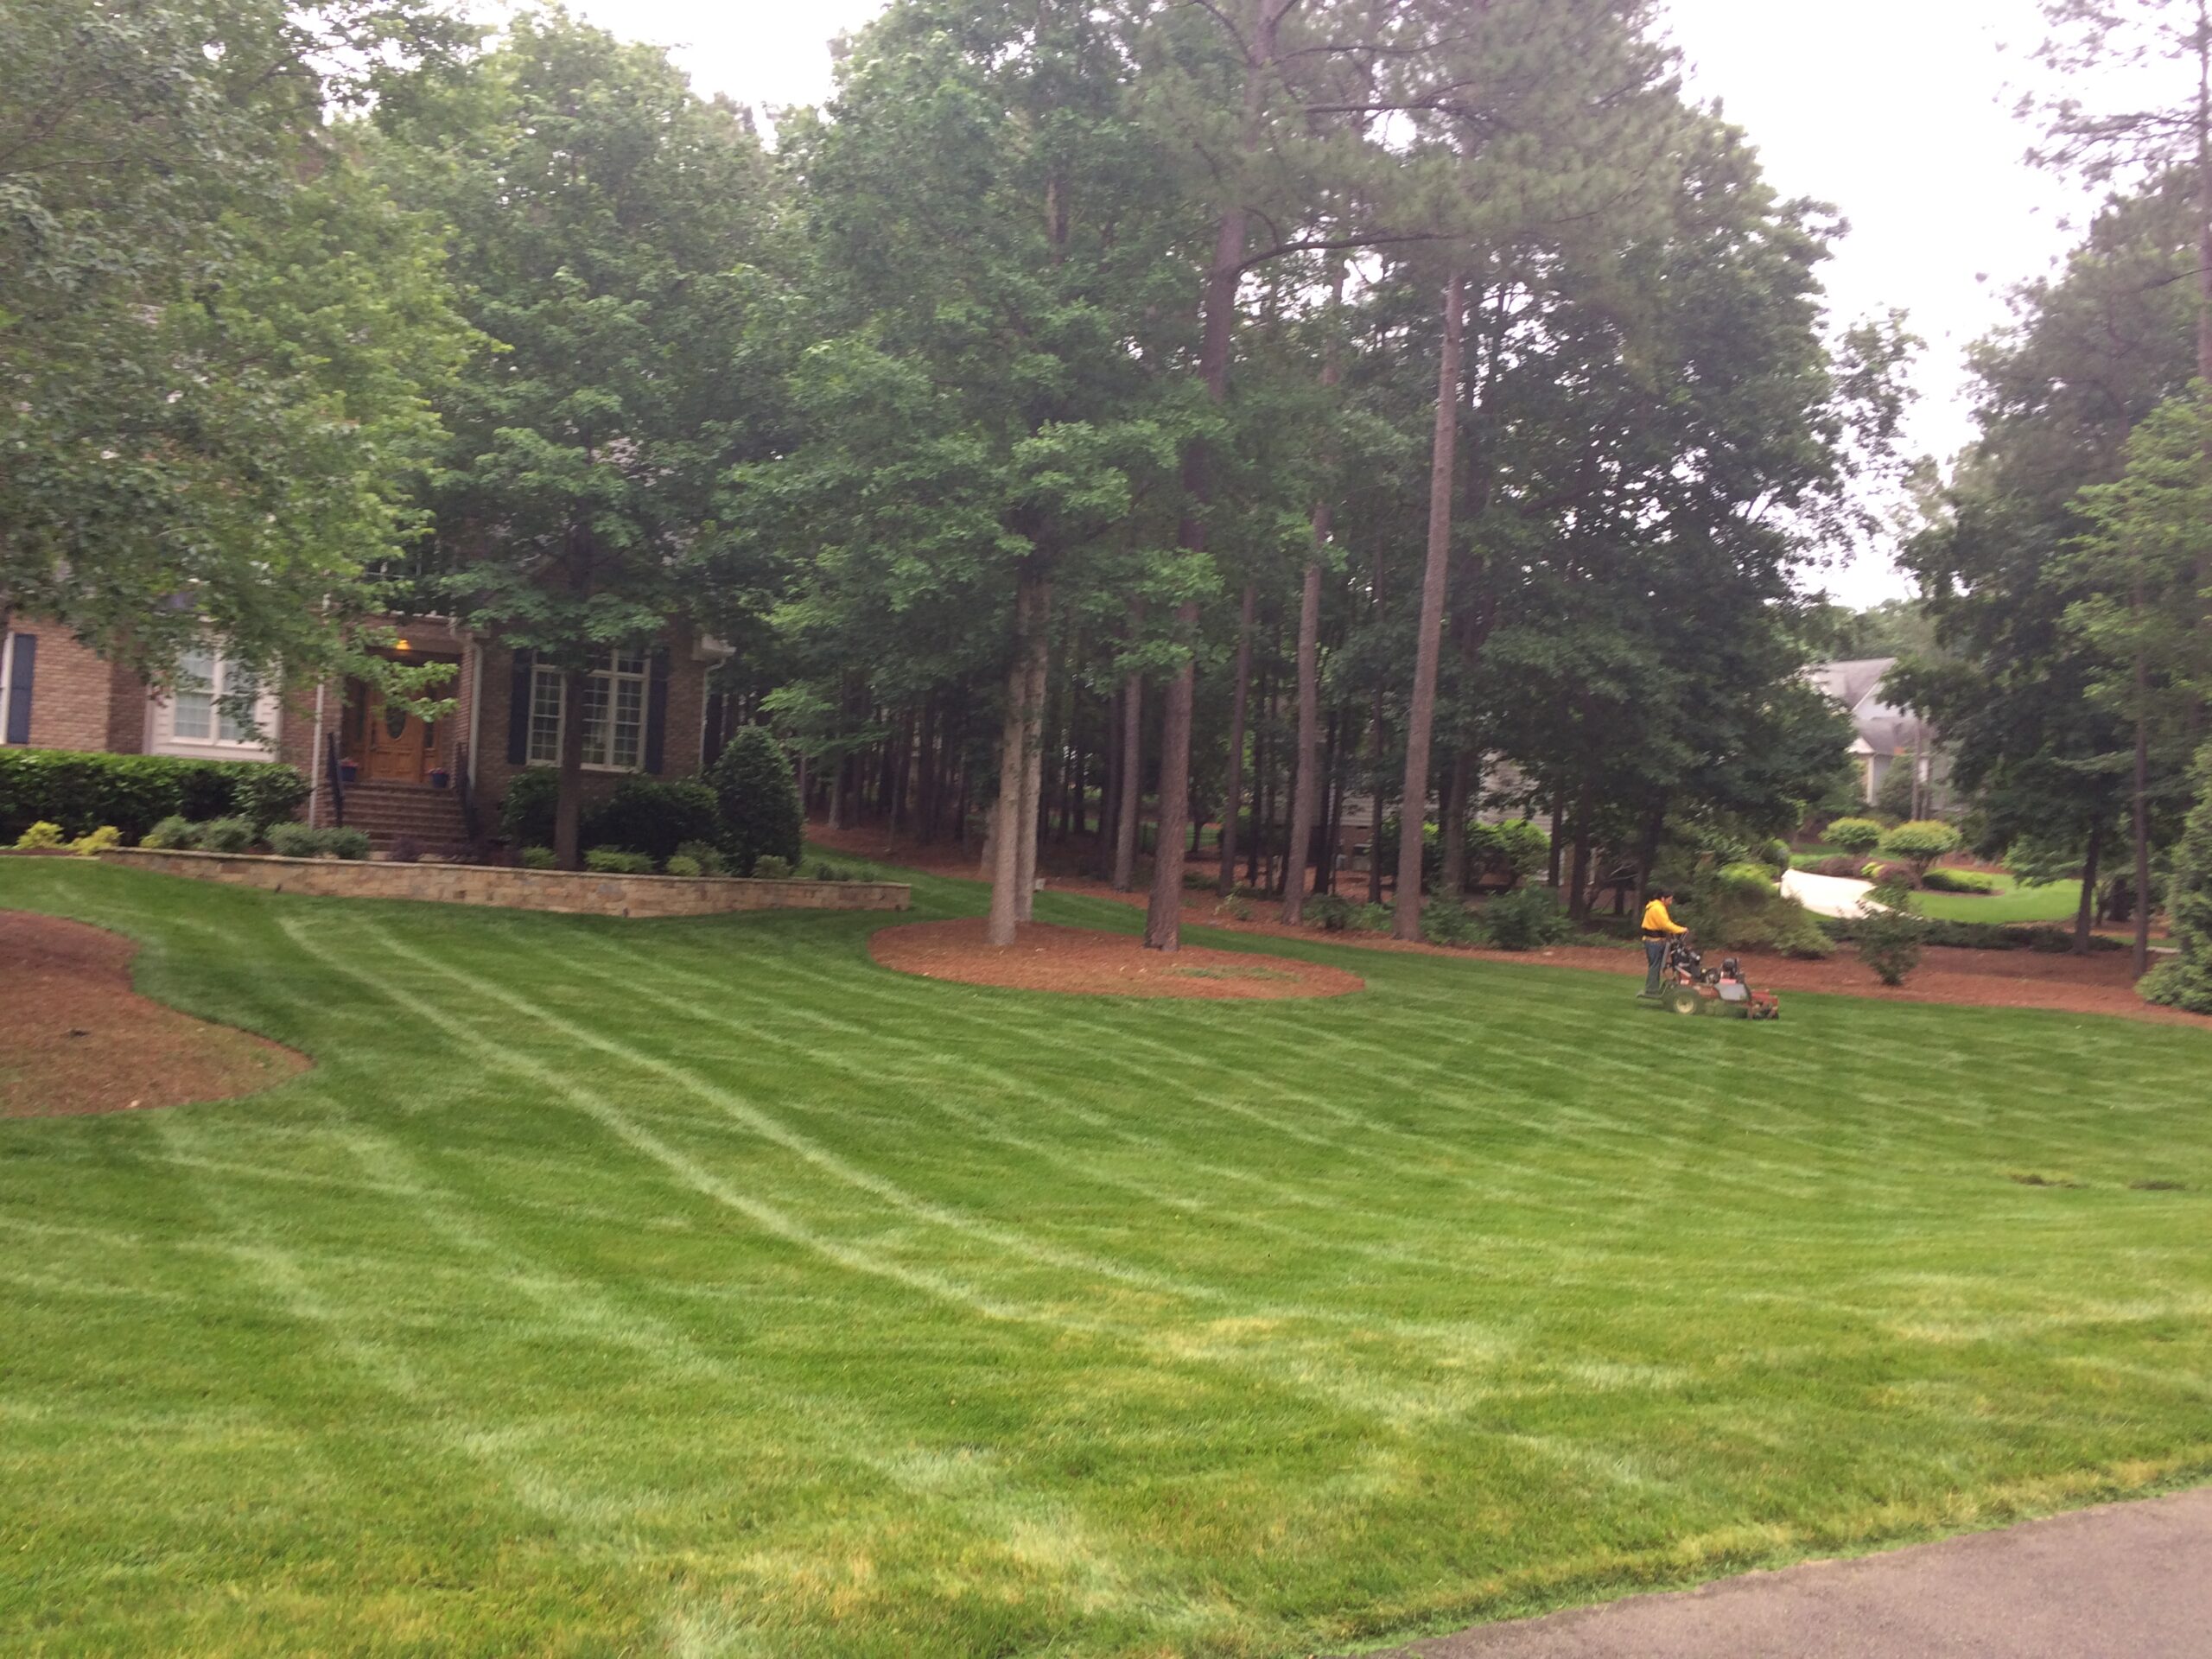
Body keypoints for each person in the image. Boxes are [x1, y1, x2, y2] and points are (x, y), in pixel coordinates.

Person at [1641, 887, 1688, 996]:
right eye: (1670, 900)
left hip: (1655, 940)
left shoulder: (1656, 907)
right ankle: (1651, 990)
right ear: (1663, 898)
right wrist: (1681, 929)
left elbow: (1664, 924)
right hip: (1654, 941)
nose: (1671, 902)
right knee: (1655, 965)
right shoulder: (1658, 908)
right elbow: (1666, 925)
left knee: (1656, 965)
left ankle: (1652, 988)